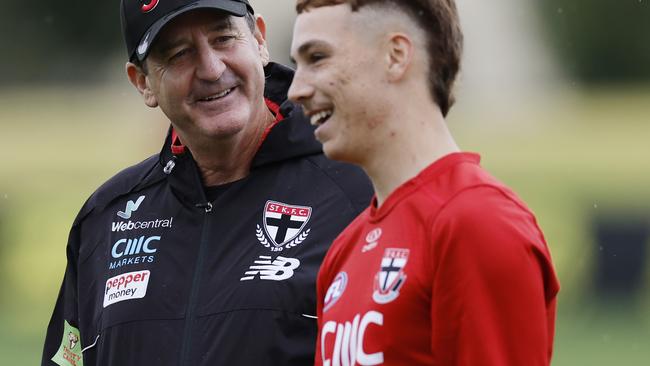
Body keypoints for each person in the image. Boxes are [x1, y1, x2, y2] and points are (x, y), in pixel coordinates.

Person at [42, 1, 372, 365]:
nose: (212, 69)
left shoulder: (360, 193)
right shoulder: (103, 221)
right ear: (143, 83)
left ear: (259, 40)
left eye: (223, 38)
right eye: (179, 54)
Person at [288, 1, 560, 365]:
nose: (295, 89)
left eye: (317, 57)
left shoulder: (476, 222)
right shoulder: (345, 249)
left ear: (395, 55)